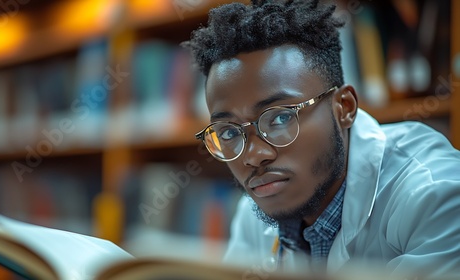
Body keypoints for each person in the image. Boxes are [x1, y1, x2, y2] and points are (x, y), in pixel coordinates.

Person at [182, 0, 460, 278]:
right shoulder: (254, 212)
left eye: (280, 118)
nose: (253, 155)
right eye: (229, 132)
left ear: (344, 108)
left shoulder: (437, 196)